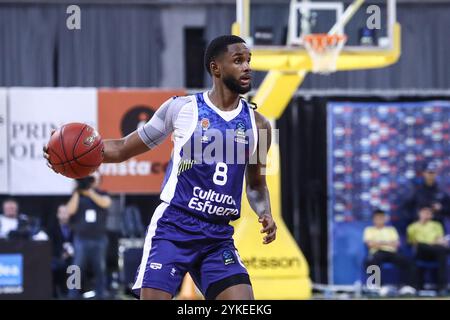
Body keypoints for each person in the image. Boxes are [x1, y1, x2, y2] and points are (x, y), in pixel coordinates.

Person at [44, 35, 277, 300]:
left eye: (248, 60)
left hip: (218, 234)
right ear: (216, 68)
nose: (247, 67)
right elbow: (122, 148)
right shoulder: (181, 109)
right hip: (174, 227)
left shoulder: (260, 126)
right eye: (238, 60)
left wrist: (265, 212)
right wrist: (66, 154)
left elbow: (257, 185)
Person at [66, 173, 112, 299]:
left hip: (99, 238)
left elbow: (105, 203)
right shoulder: (77, 195)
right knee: (76, 267)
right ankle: (72, 295)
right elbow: (70, 211)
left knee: (100, 268)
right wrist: (77, 191)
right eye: (88, 179)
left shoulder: (102, 194)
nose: (90, 181)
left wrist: (89, 191)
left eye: (92, 179)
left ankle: (101, 294)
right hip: (81, 238)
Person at [363, 209, 417, 295]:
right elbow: (370, 244)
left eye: (382, 218)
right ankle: (379, 287)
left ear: (385, 219)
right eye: (377, 218)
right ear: (374, 219)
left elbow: (396, 244)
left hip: (391, 253)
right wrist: (387, 243)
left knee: (407, 261)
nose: (380, 220)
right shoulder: (369, 230)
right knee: (371, 262)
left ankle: (407, 286)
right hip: (377, 253)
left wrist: (378, 242)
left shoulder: (391, 229)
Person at [407, 206, 450, 295]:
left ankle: (442, 287)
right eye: (424, 213)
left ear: (432, 215)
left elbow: (440, 239)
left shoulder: (436, 225)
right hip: (421, 252)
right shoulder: (412, 227)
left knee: (441, 251)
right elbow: (414, 243)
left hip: (435, 252)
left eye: (429, 213)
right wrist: (432, 243)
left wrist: (434, 243)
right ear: (419, 214)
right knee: (423, 246)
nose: (427, 215)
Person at [49, 204, 74, 299]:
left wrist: (69, 253)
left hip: (73, 257)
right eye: (62, 212)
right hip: (57, 257)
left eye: (66, 212)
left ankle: (73, 295)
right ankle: (55, 294)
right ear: (57, 215)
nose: (64, 215)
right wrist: (61, 254)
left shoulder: (75, 228)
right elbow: (51, 245)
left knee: (75, 266)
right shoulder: (52, 229)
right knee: (55, 266)